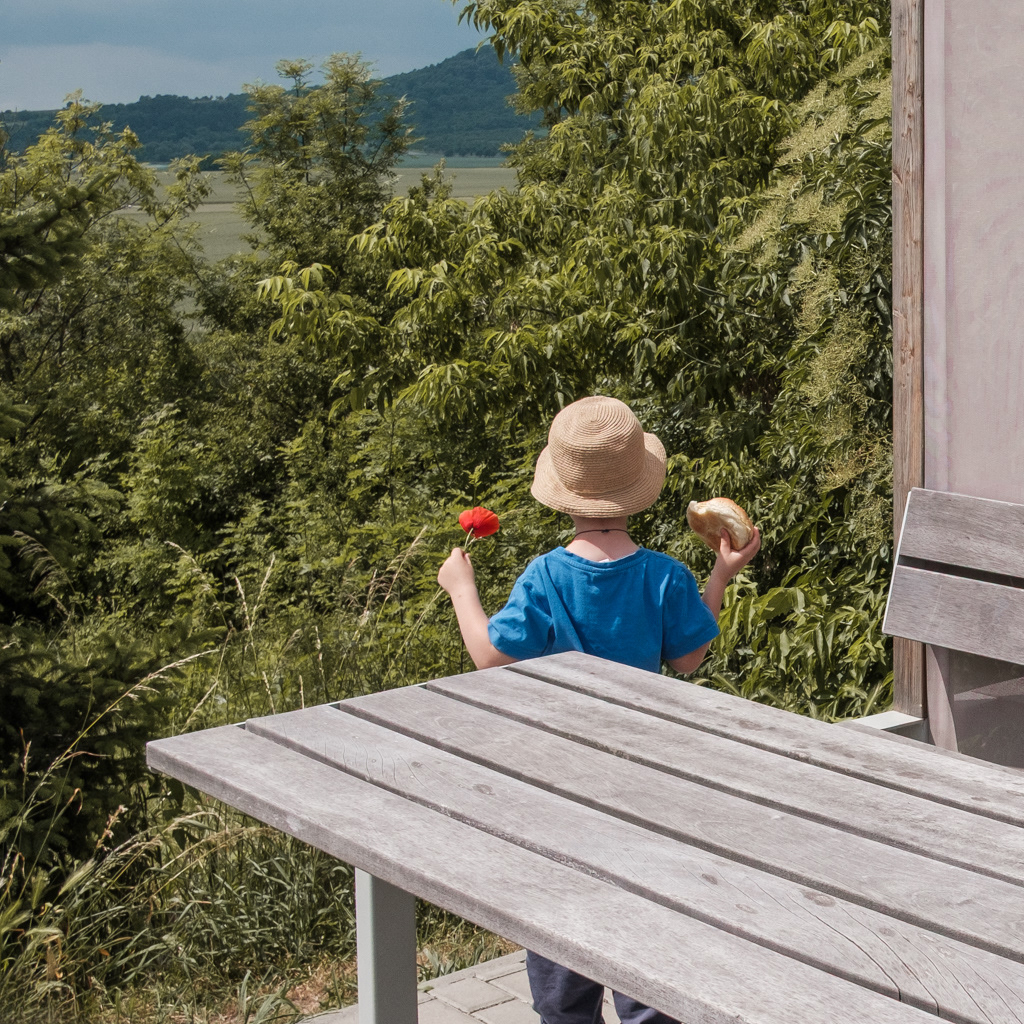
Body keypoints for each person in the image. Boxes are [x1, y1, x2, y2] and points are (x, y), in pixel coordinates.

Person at [437, 395, 761, 1024]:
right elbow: (689, 660)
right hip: (645, 779)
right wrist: (719, 576)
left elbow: (489, 656)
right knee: (644, 914)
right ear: (637, 488)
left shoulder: (545, 577)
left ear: (563, 492)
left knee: (561, 913)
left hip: (558, 783)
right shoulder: (664, 576)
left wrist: (462, 589)